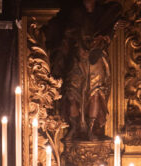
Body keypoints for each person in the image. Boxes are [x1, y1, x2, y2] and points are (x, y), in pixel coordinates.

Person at [46, 0, 123, 141]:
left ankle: (91, 128)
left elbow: (110, 30)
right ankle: (75, 127)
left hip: (95, 61)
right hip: (77, 59)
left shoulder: (103, 14)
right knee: (71, 93)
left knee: (95, 93)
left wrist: (104, 37)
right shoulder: (75, 14)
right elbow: (66, 37)